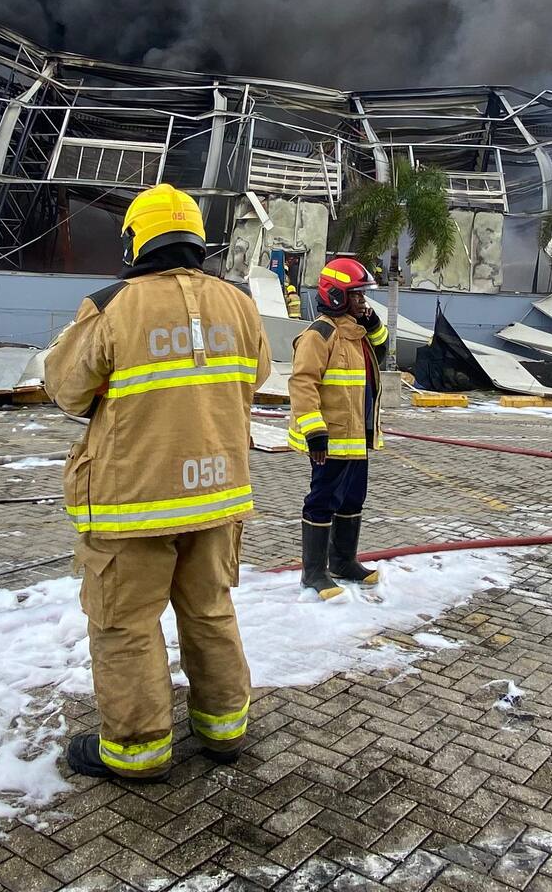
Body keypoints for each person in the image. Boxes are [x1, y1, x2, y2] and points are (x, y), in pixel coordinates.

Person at [44, 184, 271, 781]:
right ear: (196, 238)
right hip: (218, 493)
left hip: (132, 501)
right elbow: (257, 375)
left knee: (125, 624)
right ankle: (224, 728)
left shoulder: (112, 305)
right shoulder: (241, 304)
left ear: (135, 240)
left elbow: (66, 389)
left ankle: (138, 749)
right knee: (211, 610)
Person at [287, 258, 389, 600]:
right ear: (335, 296)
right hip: (329, 439)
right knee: (323, 500)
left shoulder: (357, 332)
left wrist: (371, 320)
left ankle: (344, 561)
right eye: (357, 296)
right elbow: (303, 384)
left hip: (357, 436)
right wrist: (314, 432)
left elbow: (383, 349)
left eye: (364, 296)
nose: (364, 303)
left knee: (352, 499)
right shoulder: (320, 334)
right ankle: (313, 572)